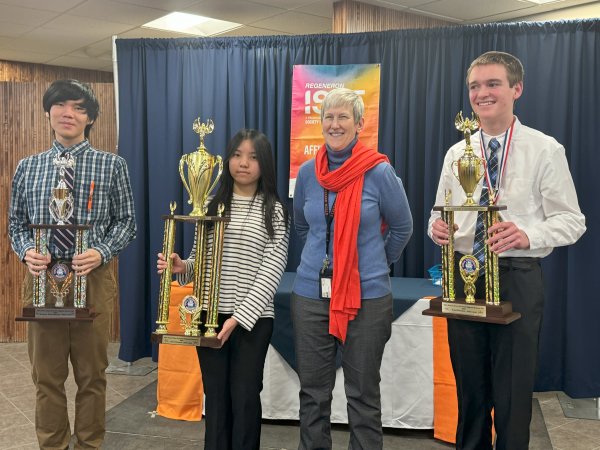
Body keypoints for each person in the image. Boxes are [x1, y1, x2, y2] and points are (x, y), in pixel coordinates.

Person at [428, 51, 586, 450]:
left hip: (517, 277)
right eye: (474, 86)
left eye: (492, 84)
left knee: (513, 396)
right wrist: (437, 227)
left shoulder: (544, 149)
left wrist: (526, 234)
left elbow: (572, 221)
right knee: (470, 394)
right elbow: (440, 210)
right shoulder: (456, 152)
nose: (482, 93)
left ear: (517, 88)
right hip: (465, 277)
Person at [8, 79, 137, 449]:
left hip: (92, 279)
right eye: (62, 105)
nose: (69, 113)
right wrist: (25, 251)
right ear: (49, 112)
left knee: (92, 375)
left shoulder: (112, 165)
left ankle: (89, 445)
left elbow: (127, 221)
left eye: (80, 107)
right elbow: (16, 224)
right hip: (42, 282)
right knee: (46, 378)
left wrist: (102, 251)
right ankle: (52, 444)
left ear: (90, 118)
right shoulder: (27, 168)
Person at [292, 88, 413, 450]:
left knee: (362, 395)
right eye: (328, 116)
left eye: (343, 116)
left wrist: (372, 263)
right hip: (311, 295)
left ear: (359, 124)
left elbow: (402, 227)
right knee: (313, 394)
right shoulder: (308, 173)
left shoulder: (379, 171)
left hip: (368, 296)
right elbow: (303, 226)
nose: (334, 123)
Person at [157, 129, 290, 450]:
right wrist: (181, 267)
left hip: (253, 322)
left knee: (244, 395)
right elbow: (199, 259)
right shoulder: (214, 204)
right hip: (209, 315)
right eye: (237, 155)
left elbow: (272, 270)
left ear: (265, 164)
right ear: (227, 159)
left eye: (253, 157)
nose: (243, 163)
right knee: (215, 397)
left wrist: (240, 317)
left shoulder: (274, 210)